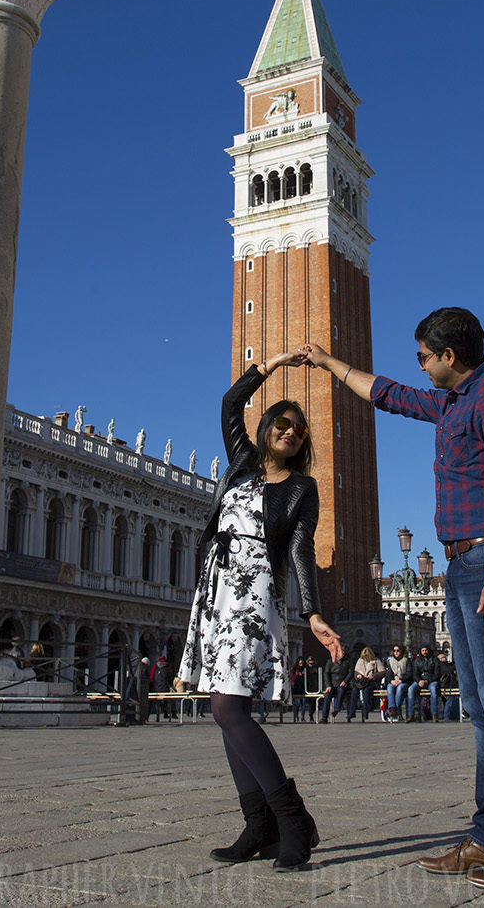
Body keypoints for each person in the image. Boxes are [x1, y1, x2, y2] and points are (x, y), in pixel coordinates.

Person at [304, 307, 484, 890]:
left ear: (450, 356)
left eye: (424, 355)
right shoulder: (452, 402)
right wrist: (327, 363)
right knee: (480, 706)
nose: (420, 364)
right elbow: (388, 395)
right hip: (461, 564)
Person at [177, 350, 343, 872]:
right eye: (283, 424)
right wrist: (272, 363)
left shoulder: (301, 489)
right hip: (217, 592)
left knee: (228, 710)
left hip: (253, 597)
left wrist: (312, 614)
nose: (291, 432)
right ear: (267, 429)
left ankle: (293, 821)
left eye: (299, 429)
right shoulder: (242, 463)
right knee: (228, 711)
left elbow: (300, 552)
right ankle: (260, 825)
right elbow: (231, 402)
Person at [413, 645, 441, 722]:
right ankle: (410, 714)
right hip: (421, 681)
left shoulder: (434, 659)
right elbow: (415, 674)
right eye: (423, 650)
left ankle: (434, 714)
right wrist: (419, 681)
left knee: (433, 690)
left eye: (426, 650)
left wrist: (428, 681)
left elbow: (437, 674)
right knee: (411, 689)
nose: (424, 652)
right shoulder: (417, 661)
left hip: (431, 681)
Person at [352, 646, 381, 722]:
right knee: (354, 691)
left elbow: (382, 672)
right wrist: (358, 675)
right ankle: (352, 711)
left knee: (366, 691)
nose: (365, 659)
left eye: (367, 657)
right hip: (362, 682)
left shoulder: (376, 661)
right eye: (364, 657)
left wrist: (374, 676)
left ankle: (366, 711)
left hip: (372, 682)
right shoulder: (360, 661)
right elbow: (355, 672)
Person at [386, 644, 412, 722]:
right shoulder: (390, 661)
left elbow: (409, 673)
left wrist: (401, 680)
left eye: (398, 650)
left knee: (400, 688)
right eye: (394, 651)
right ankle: (392, 708)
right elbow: (388, 674)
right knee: (389, 687)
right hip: (394, 681)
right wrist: (392, 681)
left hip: (404, 681)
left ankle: (395, 709)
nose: (396, 652)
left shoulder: (406, 660)